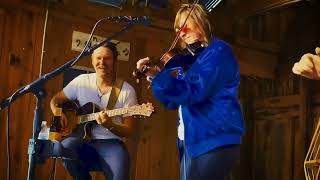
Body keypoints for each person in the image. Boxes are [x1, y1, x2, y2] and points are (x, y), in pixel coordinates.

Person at [136, 4, 245, 180]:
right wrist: (155, 77)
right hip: (190, 139)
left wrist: (160, 77)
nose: (181, 33)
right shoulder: (188, 61)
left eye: (185, 26)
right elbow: (171, 101)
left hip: (213, 137)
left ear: (201, 22)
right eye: (178, 30)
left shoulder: (218, 51)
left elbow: (194, 92)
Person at [50, 43, 137, 180]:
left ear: (115, 61)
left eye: (107, 58)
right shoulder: (81, 81)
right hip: (80, 140)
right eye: (98, 58)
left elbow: (129, 129)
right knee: (63, 148)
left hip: (111, 143)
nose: (102, 62)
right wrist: (58, 112)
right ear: (92, 60)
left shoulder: (126, 91)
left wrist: (110, 125)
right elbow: (55, 100)